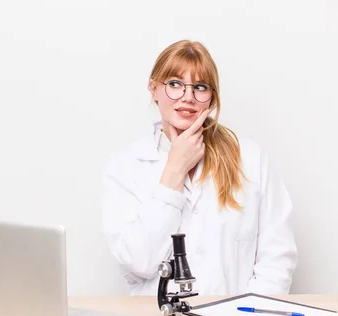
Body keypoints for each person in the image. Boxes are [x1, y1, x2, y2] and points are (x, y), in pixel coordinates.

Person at [101, 40, 297, 296]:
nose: (188, 97)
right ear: (153, 88)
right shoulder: (124, 165)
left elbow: (277, 258)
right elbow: (139, 262)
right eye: (174, 84)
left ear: (212, 98)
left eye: (200, 87)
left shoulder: (250, 158)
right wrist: (175, 170)